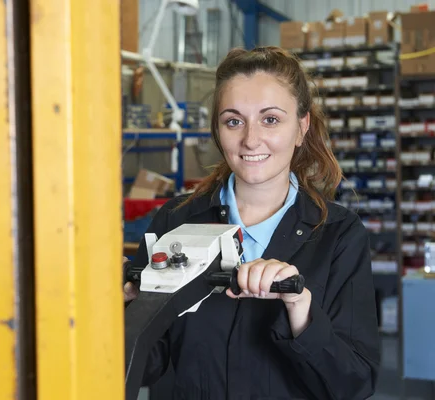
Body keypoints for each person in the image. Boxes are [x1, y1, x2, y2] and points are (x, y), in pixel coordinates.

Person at [123, 46, 381, 400]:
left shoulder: (338, 235)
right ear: (218, 129)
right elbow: (148, 364)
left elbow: (354, 382)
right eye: (234, 121)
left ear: (301, 127)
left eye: (270, 119)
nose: (250, 139)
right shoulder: (175, 220)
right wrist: (123, 313)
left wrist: (300, 312)